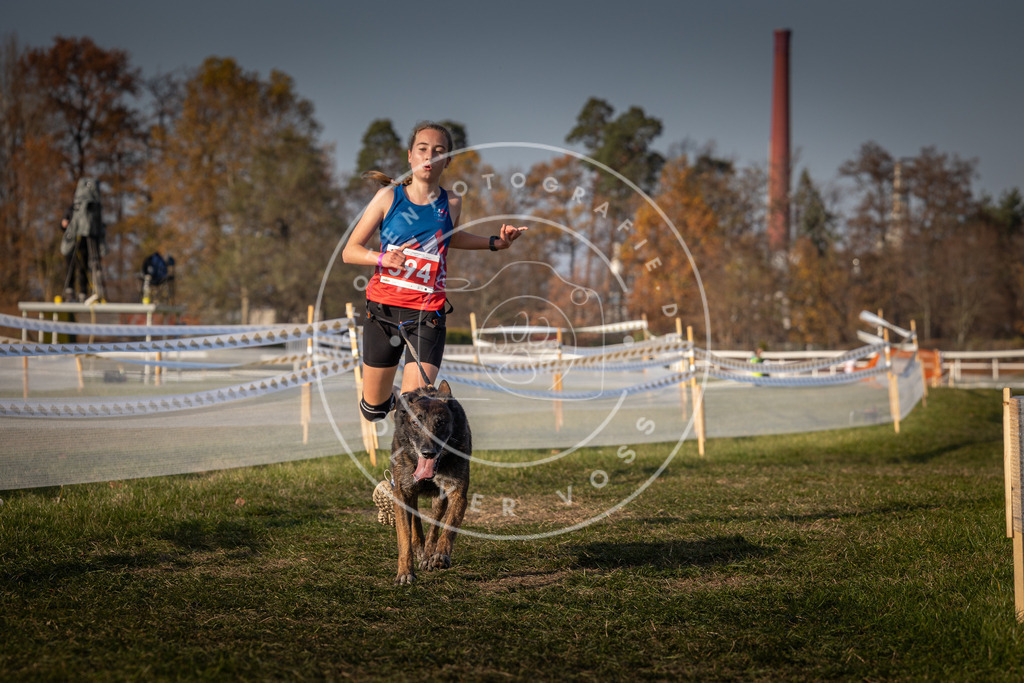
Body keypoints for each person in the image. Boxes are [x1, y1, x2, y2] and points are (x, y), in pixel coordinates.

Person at [342, 121, 527, 422]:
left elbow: (450, 237)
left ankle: (417, 445)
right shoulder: (388, 197)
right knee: (373, 410)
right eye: (423, 149)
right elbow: (350, 251)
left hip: (427, 314)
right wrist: (383, 258)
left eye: (439, 151)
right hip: (383, 311)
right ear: (410, 156)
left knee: (416, 408)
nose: (429, 156)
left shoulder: (452, 201)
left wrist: (497, 243)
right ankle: (387, 401)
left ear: (447, 161)